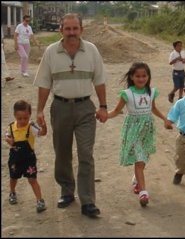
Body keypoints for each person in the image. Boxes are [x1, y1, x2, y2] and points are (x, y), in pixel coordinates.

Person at [33, 13, 107, 217]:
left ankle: (88, 201)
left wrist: (102, 106)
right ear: (61, 30)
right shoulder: (51, 52)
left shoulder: (91, 50)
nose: (72, 33)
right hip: (60, 108)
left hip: (85, 108)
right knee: (62, 153)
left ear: (81, 30)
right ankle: (67, 191)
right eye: (68, 29)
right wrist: (39, 110)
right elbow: (44, 84)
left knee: (85, 154)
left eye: (75, 28)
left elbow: (99, 80)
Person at [108, 62, 172, 207]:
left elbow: (153, 108)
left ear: (148, 77)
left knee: (143, 160)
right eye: (138, 76)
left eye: (144, 76)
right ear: (131, 77)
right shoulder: (127, 94)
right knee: (139, 158)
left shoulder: (151, 92)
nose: (141, 79)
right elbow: (116, 111)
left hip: (146, 131)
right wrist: (105, 115)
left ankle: (137, 180)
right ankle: (143, 192)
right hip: (133, 131)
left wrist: (164, 119)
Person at [5, 100, 47, 213]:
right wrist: (8, 139)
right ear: (15, 116)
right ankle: (12, 192)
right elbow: (6, 135)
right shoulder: (11, 127)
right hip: (15, 159)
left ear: (29, 115)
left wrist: (44, 126)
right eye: (20, 118)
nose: (23, 121)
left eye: (25, 118)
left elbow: (42, 133)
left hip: (29, 159)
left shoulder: (31, 127)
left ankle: (40, 200)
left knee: (32, 179)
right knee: (13, 177)